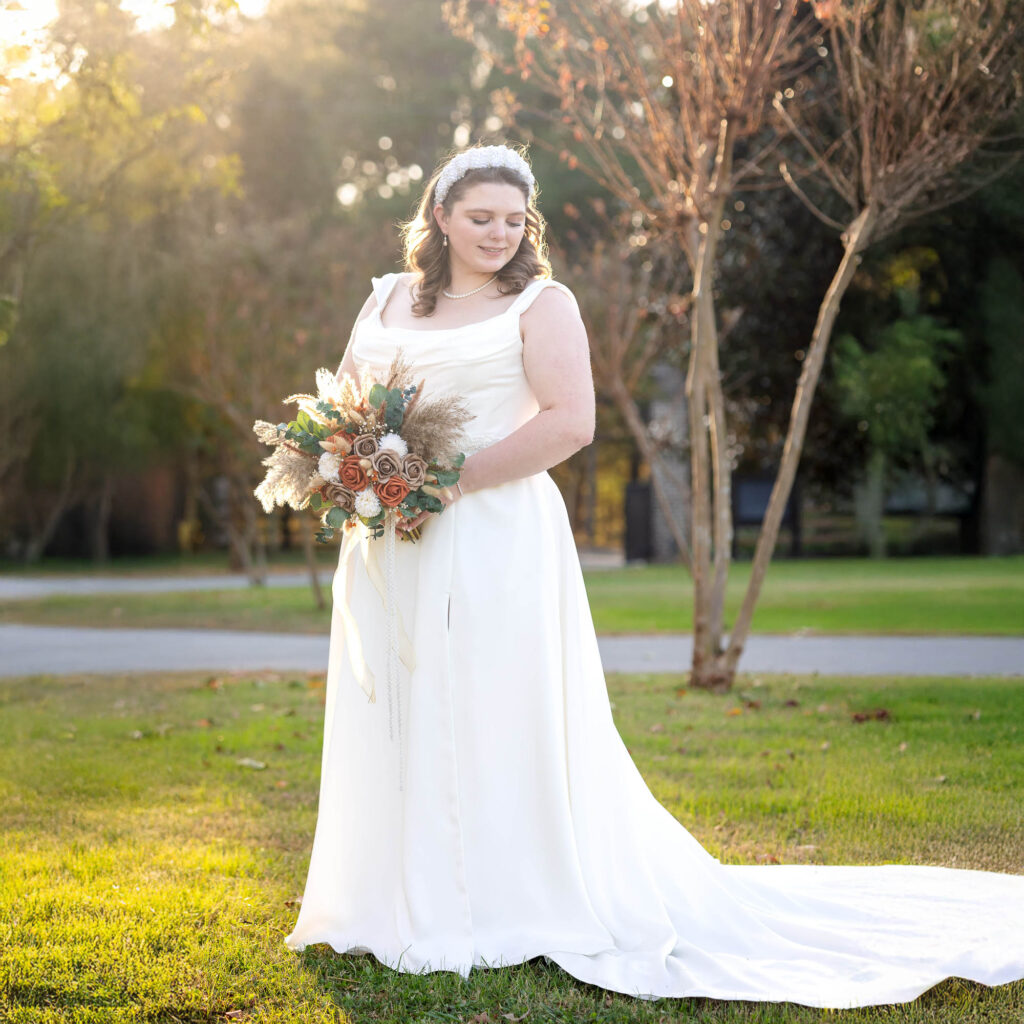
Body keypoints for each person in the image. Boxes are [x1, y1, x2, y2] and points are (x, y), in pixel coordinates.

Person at [283, 143, 1024, 1007]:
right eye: (480, 216)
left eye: (513, 220)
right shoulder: (384, 297)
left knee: (494, 708)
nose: (497, 233)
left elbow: (571, 424)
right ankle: (388, 901)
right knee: (397, 706)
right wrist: (356, 469)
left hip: (490, 534)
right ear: (440, 217)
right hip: (386, 540)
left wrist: (441, 483)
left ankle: (503, 897)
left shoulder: (542, 303)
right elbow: (343, 403)